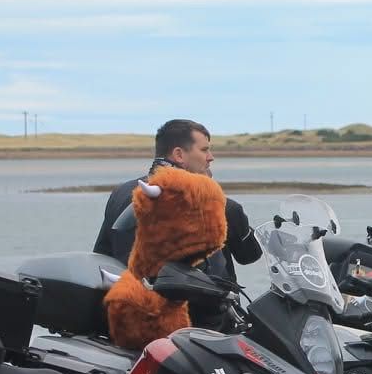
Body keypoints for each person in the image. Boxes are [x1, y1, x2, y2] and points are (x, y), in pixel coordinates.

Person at [93, 120, 260, 323]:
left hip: (131, 317)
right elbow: (250, 255)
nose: (211, 157)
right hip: (198, 329)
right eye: (204, 150)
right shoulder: (216, 205)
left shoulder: (122, 193)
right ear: (179, 155)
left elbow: (101, 255)